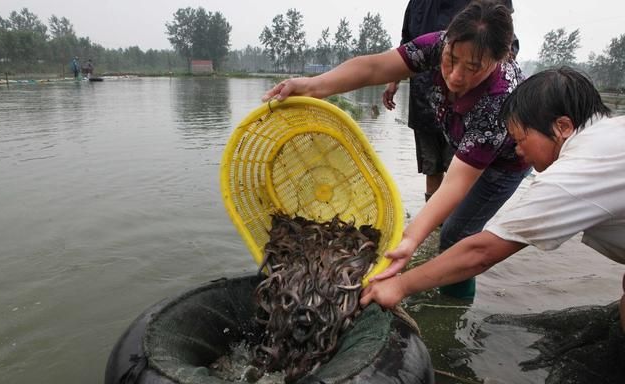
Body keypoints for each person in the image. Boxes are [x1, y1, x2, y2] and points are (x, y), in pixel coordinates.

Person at [263, 0, 529, 299]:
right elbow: (373, 66)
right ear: (447, 42)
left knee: (456, 235)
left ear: (499, 59)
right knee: (444, 223)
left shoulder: (498, 99)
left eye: (472, 68)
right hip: (464, 138)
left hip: (505, 163)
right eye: (451, 59)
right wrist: (312, 86)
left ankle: (454, 308)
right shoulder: (438, 44)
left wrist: (410, 238)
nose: (455, 76)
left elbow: (457, 182)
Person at [360, 67, 625, 330]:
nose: (518, 150)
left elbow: (482, 252)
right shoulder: (612, 133)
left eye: (520, 139)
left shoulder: (574, 173)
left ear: (563, 126)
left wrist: (400, 285)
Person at [383, 0, 517, 204]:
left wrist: (488, 75)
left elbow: (506, 43)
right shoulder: (418, 4)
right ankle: (434, 226)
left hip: (468, 106)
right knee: (431, 166)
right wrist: (394, 78)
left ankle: (451, 227)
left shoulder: (491, 105)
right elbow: (407, 41)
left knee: (459, 169)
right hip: (425, 95)